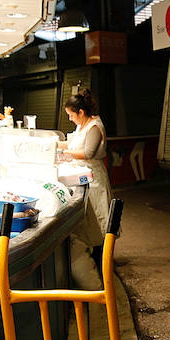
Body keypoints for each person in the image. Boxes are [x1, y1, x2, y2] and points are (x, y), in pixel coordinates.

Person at [58, 89, 113, 289]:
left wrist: (65, 155)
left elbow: (88, 152)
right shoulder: (83, 126)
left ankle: (104, 264)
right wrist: (54, 145)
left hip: (94, 179)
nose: (71, 119)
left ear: (81, 112)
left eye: (72, 115)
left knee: (99, 220)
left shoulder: (95, 127)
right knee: (91, 222)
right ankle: (98, 261)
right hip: (84, 177)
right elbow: (71, 144)